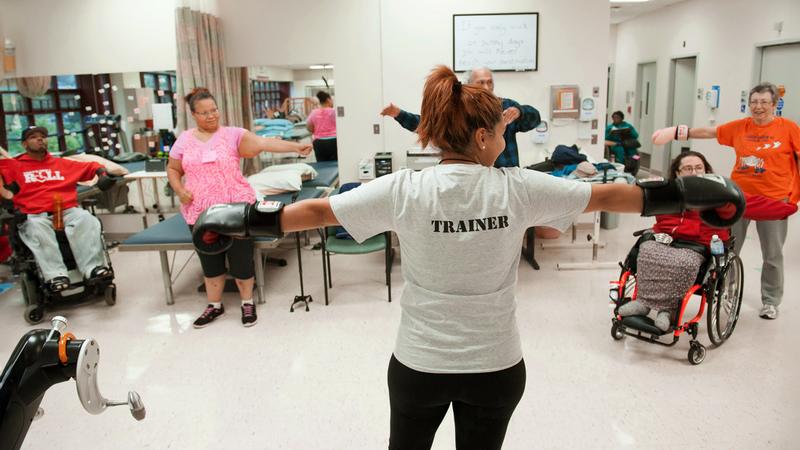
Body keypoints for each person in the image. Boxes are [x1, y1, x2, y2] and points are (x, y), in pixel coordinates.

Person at [192, 66, 743, 449]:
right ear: (482, 136)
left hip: (419, 365)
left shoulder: (405, 188)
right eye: (501, 129)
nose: (506, 136)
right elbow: (607, 196)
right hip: (495, 366)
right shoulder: (517, 188)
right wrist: (689, 193)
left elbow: (315, 212)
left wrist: (237, 220)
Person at [652, 81, 800, 320]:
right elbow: (711, 132)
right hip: (738, 198)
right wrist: (679, 132)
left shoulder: (789, 129)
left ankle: (771, 301)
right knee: (728, 249)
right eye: (754, 102)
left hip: (773, 200)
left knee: (772, 254)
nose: (758, 107)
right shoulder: (741, 127)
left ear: (774, 104)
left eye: (764, 102)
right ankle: (725, 291)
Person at [167, 87, 311, 328]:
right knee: (210, 263)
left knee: (241, 260)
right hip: (200, 213)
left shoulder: (232, 135)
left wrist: (296, 148)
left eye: (214, 110)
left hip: (235, 210)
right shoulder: (184, 140)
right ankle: (215, 306)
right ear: (193, 114)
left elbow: (264, 142)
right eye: (204, 113)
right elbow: (173, 169)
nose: (211, 115)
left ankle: (247, 302)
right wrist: (180, 191)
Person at [0, 126, 114, 291]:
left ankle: (93, 269)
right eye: (33, 137)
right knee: (36, 227)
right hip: (35, 214)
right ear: (25, 144)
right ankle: (56, 276)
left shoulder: (61, 163)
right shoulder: (14, 165)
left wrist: (103, 175)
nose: (40, 139)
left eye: (43, 136)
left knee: (86, 219)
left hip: (64, 210)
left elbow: (93, 166)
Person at [380, 66, 541, 168]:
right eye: (481, 82)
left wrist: (520, 112)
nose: (486, 87)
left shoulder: (505, 107)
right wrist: (399, 114)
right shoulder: (459, 112)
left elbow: (535, 118)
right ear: (482, 138)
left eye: (489, 82)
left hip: (502, 183)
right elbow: (428, 124)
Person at [605, 110, 641, 175]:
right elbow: (605, 138)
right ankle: (621, 167)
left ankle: (633, 166)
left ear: (622, 118)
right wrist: (610, 133)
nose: (615, 119)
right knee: (620, 150)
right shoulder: (609, 127)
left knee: (633, 152)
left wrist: (630, 131)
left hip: (627, 143)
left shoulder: (628, 125)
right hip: (616, 144)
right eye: (614, 118)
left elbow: (636, 135)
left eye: (617, 118)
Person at [306, 91, 338, 161]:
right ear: (328, 100)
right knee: (336, 164)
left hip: (319, 143)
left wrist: (316, 130)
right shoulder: (334, 112)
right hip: (334, 142)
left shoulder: (314, 112)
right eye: (332, 100)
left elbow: (309, 127)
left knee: (321, 165)